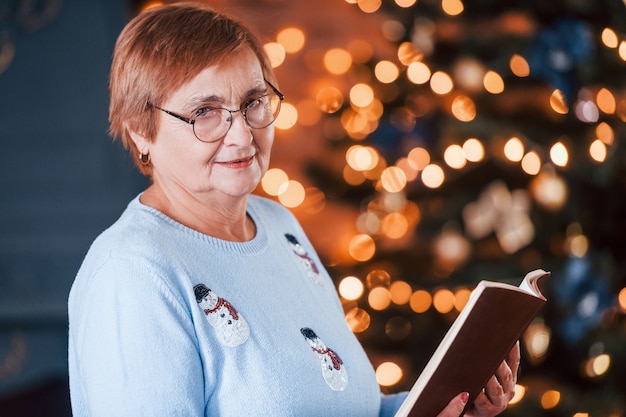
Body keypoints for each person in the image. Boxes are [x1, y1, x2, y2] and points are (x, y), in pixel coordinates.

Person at [67, 2, 520, 416]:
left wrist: (457, 405)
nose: (242, 135)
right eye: (205, 111)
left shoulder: (278, 225)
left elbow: (345, 404)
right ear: (140, 130)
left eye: (253, 102)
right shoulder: (132, 274)